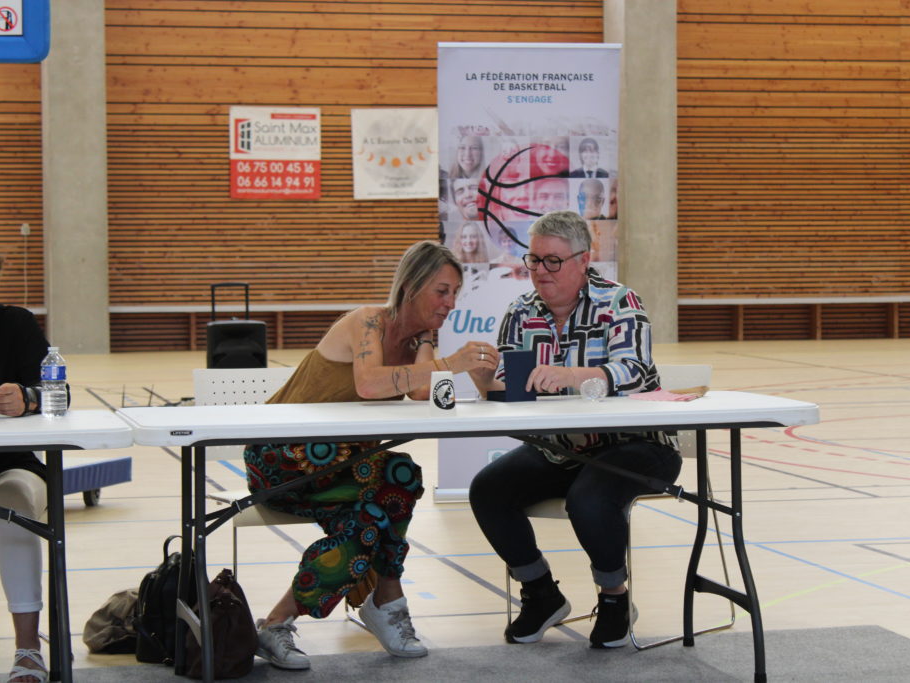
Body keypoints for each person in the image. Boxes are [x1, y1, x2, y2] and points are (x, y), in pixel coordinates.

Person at [244, 241, 499, 667]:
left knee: (398, 478)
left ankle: (294, 619)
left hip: (344, 468)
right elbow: (370, 384)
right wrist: (450, 363)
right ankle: (381, 603)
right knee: (378, 505)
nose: (451, 303)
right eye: (442, 291)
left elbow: (423, 393)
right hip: (283, 460)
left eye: (455, 293)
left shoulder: (418, 341)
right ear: (411, 286)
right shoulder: (367, 321)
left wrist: (472, 370)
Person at [467, 211, 681, 649]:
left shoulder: (619, 301)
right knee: (488, 490)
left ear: (584, 260)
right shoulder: (520, 312)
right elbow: (513, 389)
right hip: (562, 449)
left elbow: (636, 372)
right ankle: (541, 593)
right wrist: (486, 382)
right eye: (534, 260)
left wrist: (573, 376)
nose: (540, 271)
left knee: (589, 499)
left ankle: (615, 597)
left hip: (638, 445)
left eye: (553, 261)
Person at [0, 230, 55, 683]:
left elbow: (57, 391)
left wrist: (27, 398)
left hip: (6, 465)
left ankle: (28, 649)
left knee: (16, 507)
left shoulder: (17, 324)